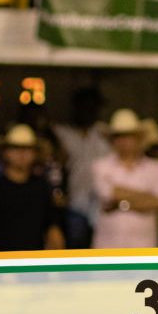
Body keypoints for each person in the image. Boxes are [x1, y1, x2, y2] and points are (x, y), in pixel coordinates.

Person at [91, 109, 158, 249]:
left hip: (144, 249)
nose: (123, 141)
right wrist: (148, 196)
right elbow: (110, 193)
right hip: (107, 249)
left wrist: (121, 205)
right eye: (119, 136)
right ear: (112, 140)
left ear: (139, 139)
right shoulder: (100, 166)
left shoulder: (156, 168)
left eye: (128, 136)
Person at [0, 124, 64, 251]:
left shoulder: (41, 187)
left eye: (27, 149)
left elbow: (52, 228)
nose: (21, 153)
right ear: (5, 152)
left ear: (35, 154)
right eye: (15, 148)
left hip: (34, 264)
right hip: (1, 264)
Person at [52, 86, 110, 248]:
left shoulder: (103, 134)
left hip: (102, 205)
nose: (89, 111)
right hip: (75, 202)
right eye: (85, 106)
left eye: (93, 107)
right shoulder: (62, 134)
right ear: (76, 107)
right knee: (76, 249)